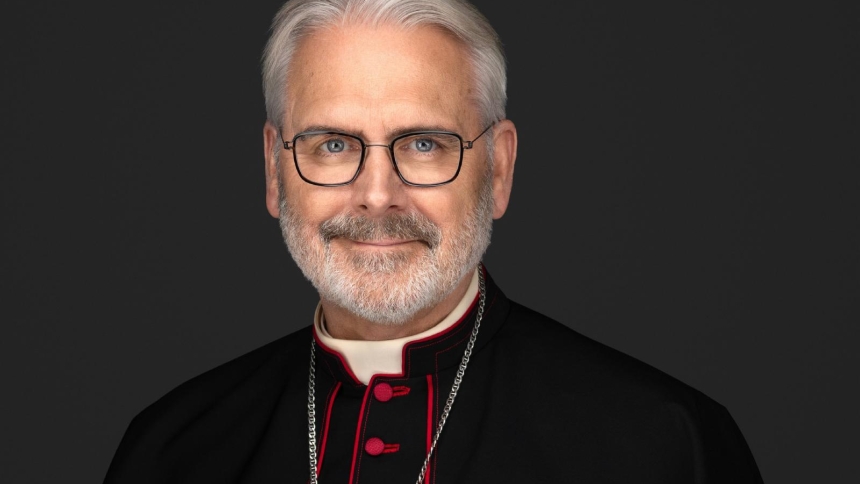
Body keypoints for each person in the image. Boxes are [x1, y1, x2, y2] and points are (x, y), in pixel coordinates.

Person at [103, 0, 763, 482]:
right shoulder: (172, 451)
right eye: (332, 145)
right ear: (276, 170)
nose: (378, 194)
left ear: (497, 170)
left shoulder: (665, 445)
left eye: (424, 144)